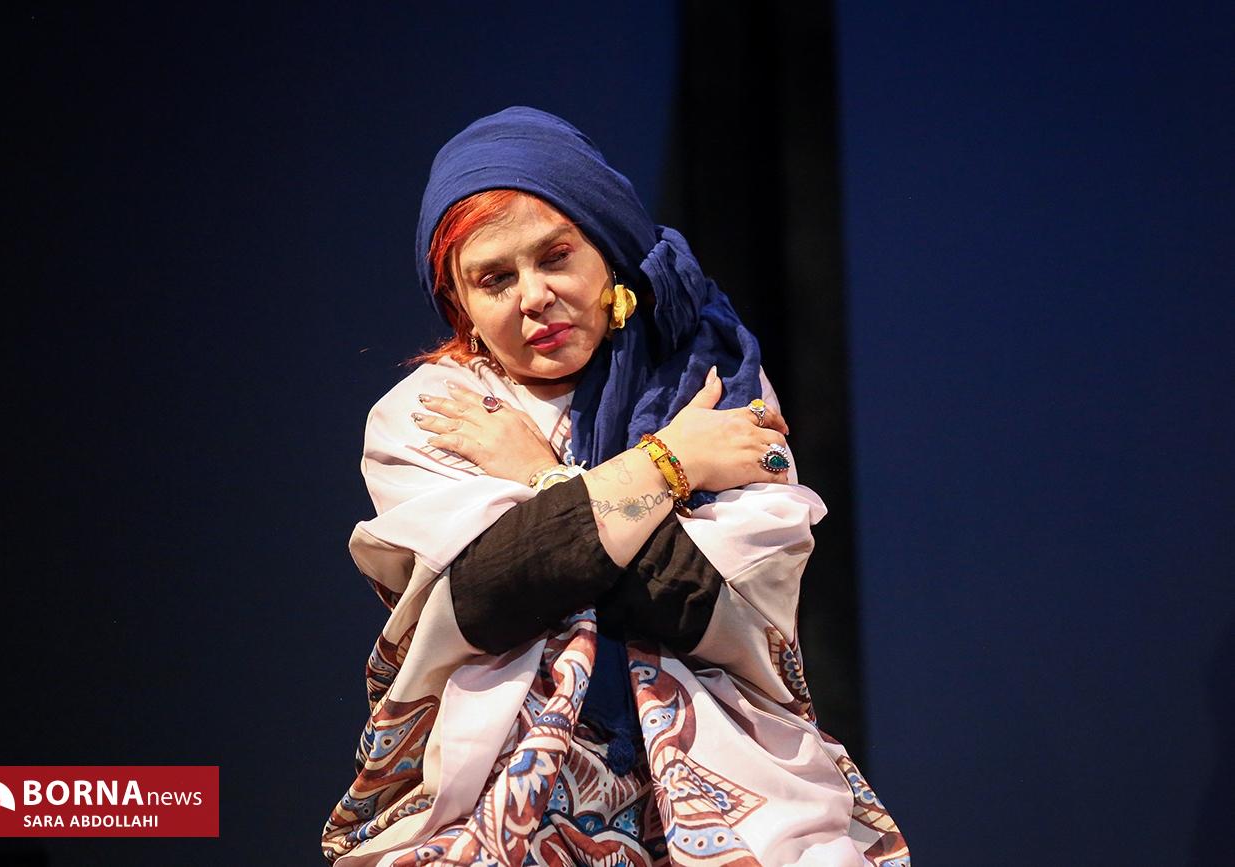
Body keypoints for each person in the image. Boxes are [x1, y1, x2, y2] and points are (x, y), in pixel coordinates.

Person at [322, 107, 909, 867]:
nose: (533, 296)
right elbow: (493, 590)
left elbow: (707, 603)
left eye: (555, 256)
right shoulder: (434, 412)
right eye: (494, 279)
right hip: (490, 800)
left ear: (607, 250)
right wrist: (671, 463)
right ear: (460, 302)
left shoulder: (717, 386)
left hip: (738, 790)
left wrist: (540, 482)